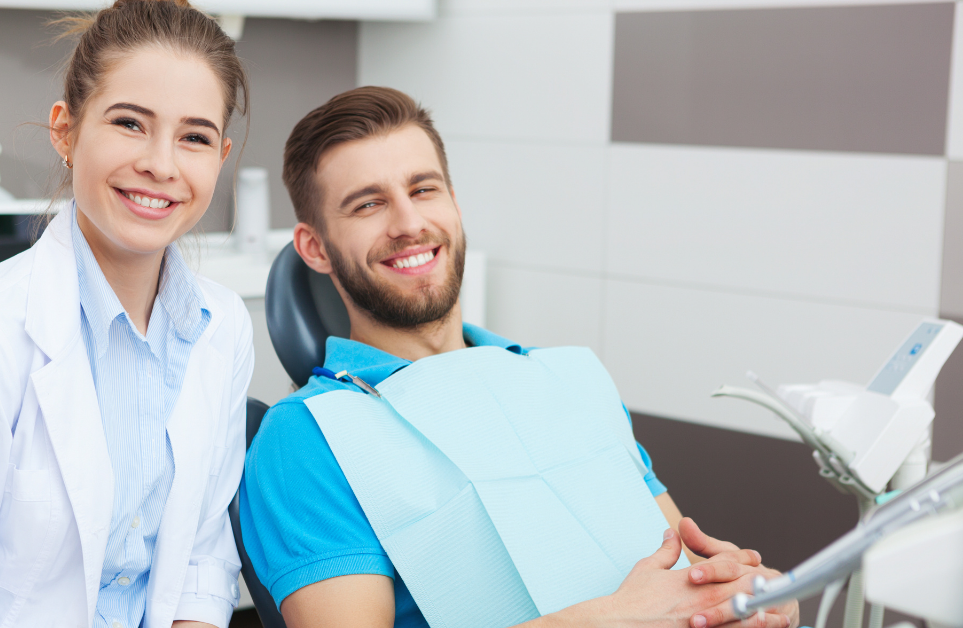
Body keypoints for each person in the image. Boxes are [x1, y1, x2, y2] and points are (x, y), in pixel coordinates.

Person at [239, 86, 800, 628]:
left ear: (455, 206)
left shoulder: (569, 380)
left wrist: (748, 598)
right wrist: (612, 620)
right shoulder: (306, 439)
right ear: (315, 248)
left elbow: (682, 569)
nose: (409, 224)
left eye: (424, 190)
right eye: (369, 204)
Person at [0, 2, 252, 627]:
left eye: (194, 136)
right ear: (66, 131)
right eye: (130, 123)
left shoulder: (224, 327)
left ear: (220, 156)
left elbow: (201, 561)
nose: (162, 163)